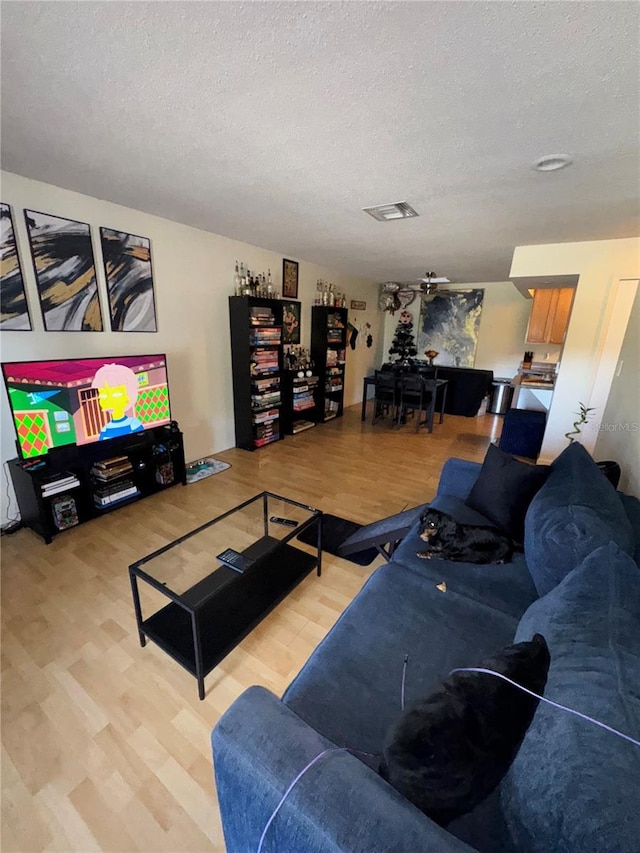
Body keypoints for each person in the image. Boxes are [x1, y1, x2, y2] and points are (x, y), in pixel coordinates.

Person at [92, 363, 145, 439]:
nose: (108, 400)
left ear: (128, 396)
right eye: (103, 395)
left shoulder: (133, 424)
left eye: (116, 394)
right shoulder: (105, 430)